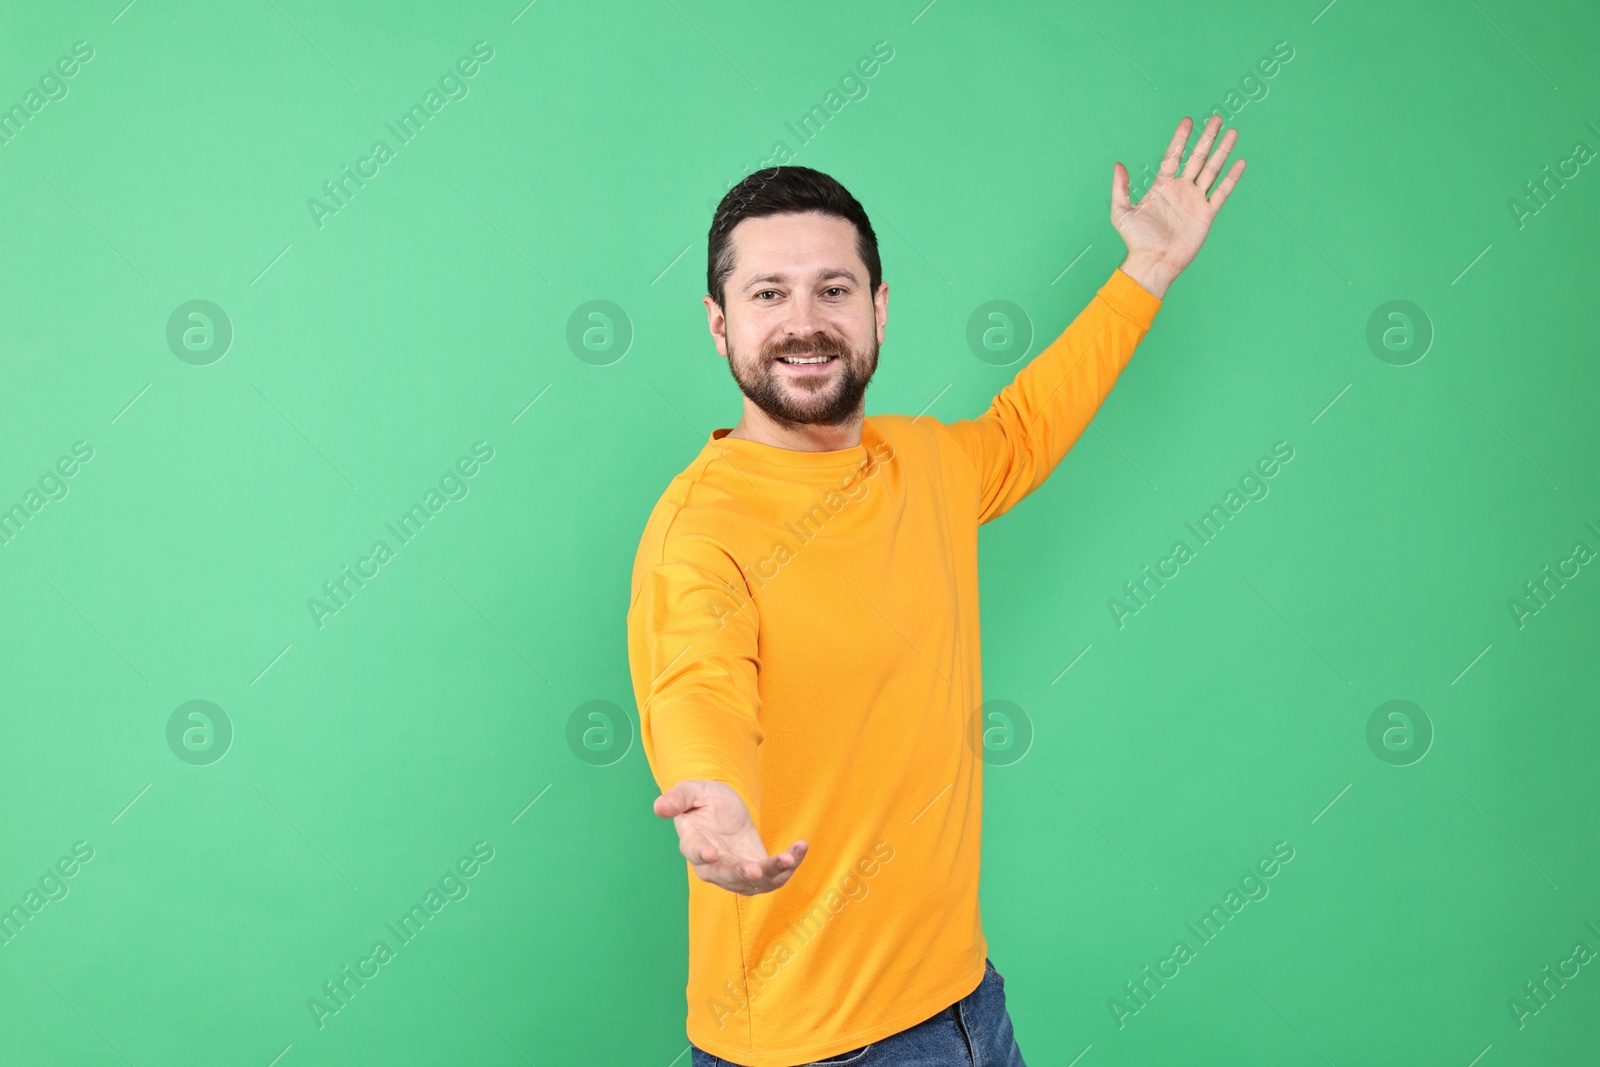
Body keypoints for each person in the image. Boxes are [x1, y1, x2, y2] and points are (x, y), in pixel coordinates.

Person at [626, 116, 1244, 1067]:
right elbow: (696, 682)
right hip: (813, 1046)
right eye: (768, 293)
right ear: (720, 325)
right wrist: (711, 794)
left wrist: (1148, 270)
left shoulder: (922, 461)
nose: (805, 321)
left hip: (966, 1002)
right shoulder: (699, 531)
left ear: (878, 307)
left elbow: (1028, 427)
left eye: (834, 289)